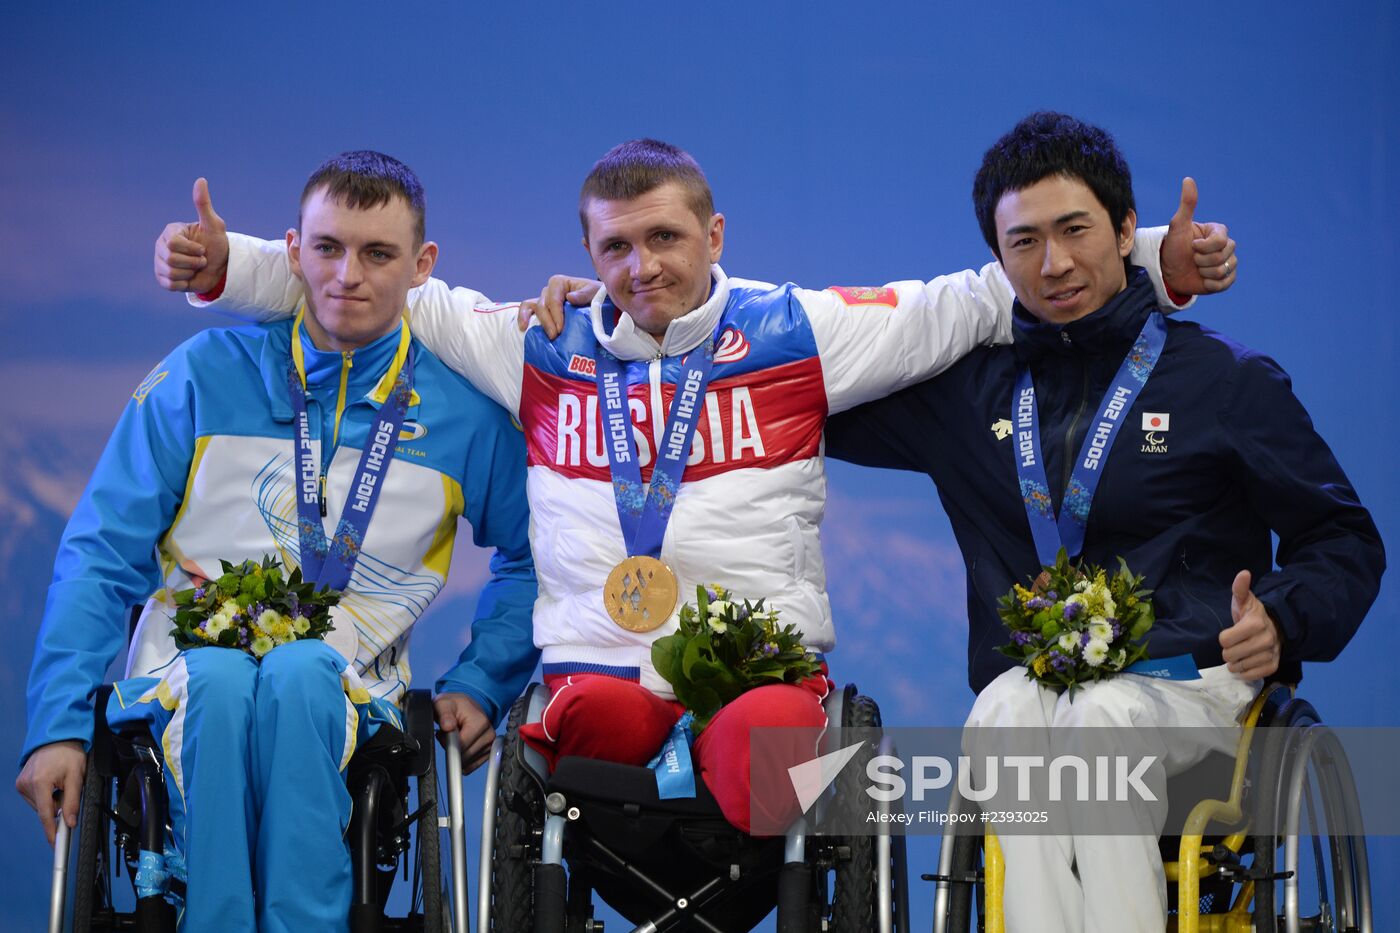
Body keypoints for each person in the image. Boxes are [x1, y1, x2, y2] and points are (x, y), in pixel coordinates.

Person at [155, 138, 1230, 834]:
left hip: (760, 670)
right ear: (585, 249)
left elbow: (968, 298)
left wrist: (1151, 265)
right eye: (615, 246)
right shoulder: (535, 342)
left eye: (664, 237)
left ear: (712, 236)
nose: (640, 266)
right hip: (594, 674)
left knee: (764, 752)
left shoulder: (797, 331)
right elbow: (375, 286)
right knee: (597, 740)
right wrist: (230, 264)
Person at [824, 112, 1385, 932]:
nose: (1052, 264)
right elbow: (790, 390)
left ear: (1129, 231)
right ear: (997, 257)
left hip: (1190, 680)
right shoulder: (962, 393)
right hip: (1042, 687)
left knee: (1104, 714)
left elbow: (1344, 540)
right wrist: (625, 325)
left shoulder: (1223, 381)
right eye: (1023, 242)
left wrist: (1285, 617)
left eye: (1075, 230)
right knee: (1004, 709)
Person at [17, 151, 538, 932]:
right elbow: (99, 554)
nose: (347, 275)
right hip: (181, 681)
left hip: (353, 692)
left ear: (421, 265)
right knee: (223, 684)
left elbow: (537, 556)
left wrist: (482, 679)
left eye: (378, 253)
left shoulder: (463, 414)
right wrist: (58, 723)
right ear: (293, 252)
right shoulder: (200, 376)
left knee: (301, 673)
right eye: (327, 248)